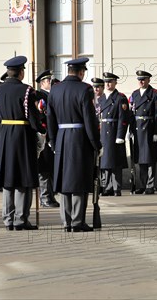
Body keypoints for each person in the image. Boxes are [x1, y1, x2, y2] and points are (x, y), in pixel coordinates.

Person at [46, 58, 102, 232]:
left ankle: (66, 221)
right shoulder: (84, 89)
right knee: (78, 179)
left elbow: (50, 118)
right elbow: (89, 118)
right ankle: (77, 221)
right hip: (79, 138)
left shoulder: (55, 89)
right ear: (81, 72)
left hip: (61, 137)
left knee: (64, 180)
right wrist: (96, 144)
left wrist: (53, 141)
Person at [0, 56, 45, 230]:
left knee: (9, 178)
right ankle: (21, 218)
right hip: (22, 135)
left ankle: (8, 218)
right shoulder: (26, 90)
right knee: (23, 178)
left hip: (5, 135)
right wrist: (41, 128)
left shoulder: (0, 89)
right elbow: (32, 116)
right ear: (21, 72)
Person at [128, 70, 157, 195]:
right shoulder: (134, 94)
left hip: (149, 128)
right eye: (139, 79)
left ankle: (150, 185)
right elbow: (131, 114)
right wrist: (131, 129)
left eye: (143, 79)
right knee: (140, 159)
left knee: (150, 159)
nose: (141, 82)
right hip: (138, 128)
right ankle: (142, 184)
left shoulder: (155, 94)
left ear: (149, 80)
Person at [98, 72, 130, 197]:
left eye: (110, 81)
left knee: (115, 162)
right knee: (105, 162)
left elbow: (123, 119)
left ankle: (116, 187)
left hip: (114, 132)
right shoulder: (100, 99)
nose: (107, 84)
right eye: (106, 82)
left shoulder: (120, 98)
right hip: (103, 132)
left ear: (115, 83)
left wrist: (120, 136)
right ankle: (107, 187)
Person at [35, 69, 60, 208]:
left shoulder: (52, 96)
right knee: (44, 169)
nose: (51, 82)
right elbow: (42, 118)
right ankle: (45, 197)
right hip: (45, 137)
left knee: (50, 168)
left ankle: (50, 196)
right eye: (48, 80)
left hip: (53, 136)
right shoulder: (40, 96)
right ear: (42, 83)